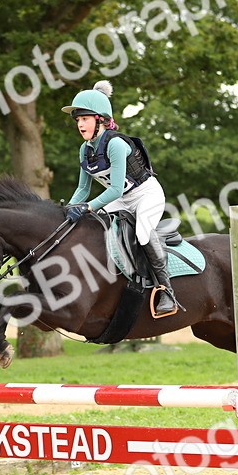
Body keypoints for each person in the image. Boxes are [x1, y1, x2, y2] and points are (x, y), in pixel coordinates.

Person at [60, 80, 179, 317]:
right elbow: (83, 190)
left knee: (142, 232)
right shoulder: (85, 150)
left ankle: (166, 291)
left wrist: (87, 207)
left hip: (146, 194)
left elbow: (114, 189)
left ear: (100, 119)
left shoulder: (114, 143)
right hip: (122, 198)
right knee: (92, 227)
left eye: (85, 118)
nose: (80, 124)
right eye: (78, 120)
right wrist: (69, 211)